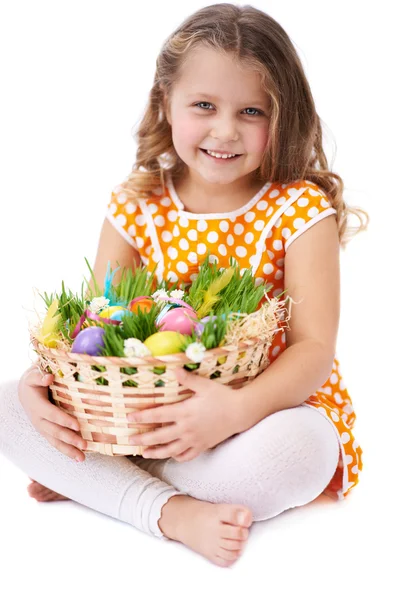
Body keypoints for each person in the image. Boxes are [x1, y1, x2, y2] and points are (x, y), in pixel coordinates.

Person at [0, 3, 369, 568]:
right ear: (164, 103)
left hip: (260, 413)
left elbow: (314, 351)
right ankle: (169, 510)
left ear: (284, 117)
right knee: (10, 405)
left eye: (252, 111)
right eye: (204, 105)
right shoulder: (137, 204)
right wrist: (44, 381)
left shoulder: (298, 209)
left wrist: (232, 413)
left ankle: (104, 480)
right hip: (141, 411)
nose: (225, 131)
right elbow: (95, 329)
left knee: (304, 451)